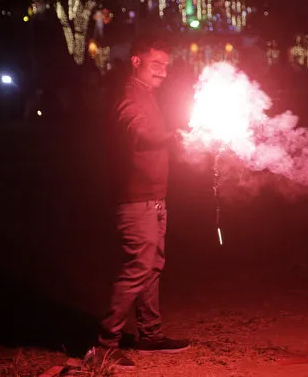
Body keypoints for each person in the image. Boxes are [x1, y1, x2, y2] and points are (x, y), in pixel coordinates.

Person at [96, 35, 189, 369]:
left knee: (152, 267)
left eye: (166, 66)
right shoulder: (129, 95)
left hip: (154, 197)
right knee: (138, 267)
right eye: (156, 64)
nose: (163, 72)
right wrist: (174, 136)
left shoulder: (148, 95)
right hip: (135, 199)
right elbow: (137, 133)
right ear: (136, 61)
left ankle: (150, 335)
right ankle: (105, 345)